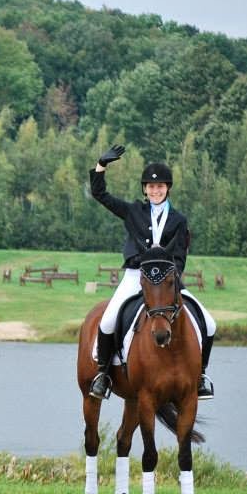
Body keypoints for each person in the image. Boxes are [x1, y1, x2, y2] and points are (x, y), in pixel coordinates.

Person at [88, 144, 216, 400]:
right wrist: (101, 166)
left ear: (167, 189)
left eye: (160, 187)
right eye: (150, 186)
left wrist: (170, 279)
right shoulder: (133, 211)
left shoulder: (178, 220)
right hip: (136, 276)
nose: (155, 190)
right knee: (108, 320)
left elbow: (179, 256)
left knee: (210, 323)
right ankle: (103, 374)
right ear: (145, 189)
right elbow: (100, 194)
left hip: (168, 281)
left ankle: (200, 375)